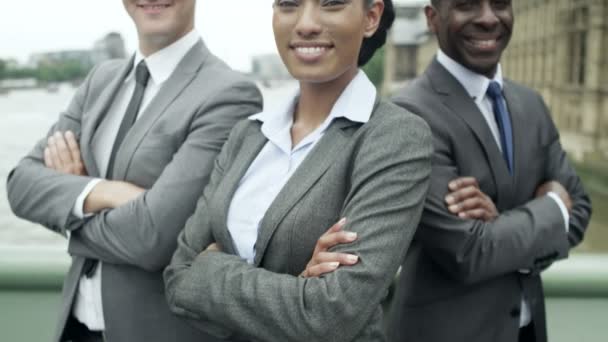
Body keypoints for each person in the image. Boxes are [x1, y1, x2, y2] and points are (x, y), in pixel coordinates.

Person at [163, 0, 432, 341]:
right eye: (289, 4)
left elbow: (331, 316)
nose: (306, 24)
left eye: (331, 4)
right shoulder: (247, 135)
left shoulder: (394, 137)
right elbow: (176, 281)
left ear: (371, 17)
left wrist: (208, 271)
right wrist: (298, 290)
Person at [6, 0, 262, 341]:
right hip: (74, 328)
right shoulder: (100, 80)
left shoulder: (229, 95)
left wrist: (68, 208)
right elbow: (21, 186)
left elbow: (152, 239)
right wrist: (104, 192)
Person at [383, 1, 592, 341]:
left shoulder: (531, 104)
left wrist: (500, 228)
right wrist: (552, 208)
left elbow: (581, 208)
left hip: (529, 331)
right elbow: (469, 252)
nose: (488, 18)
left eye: (500, 4)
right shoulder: (408, 116)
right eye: (466, 5)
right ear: (433, 18)